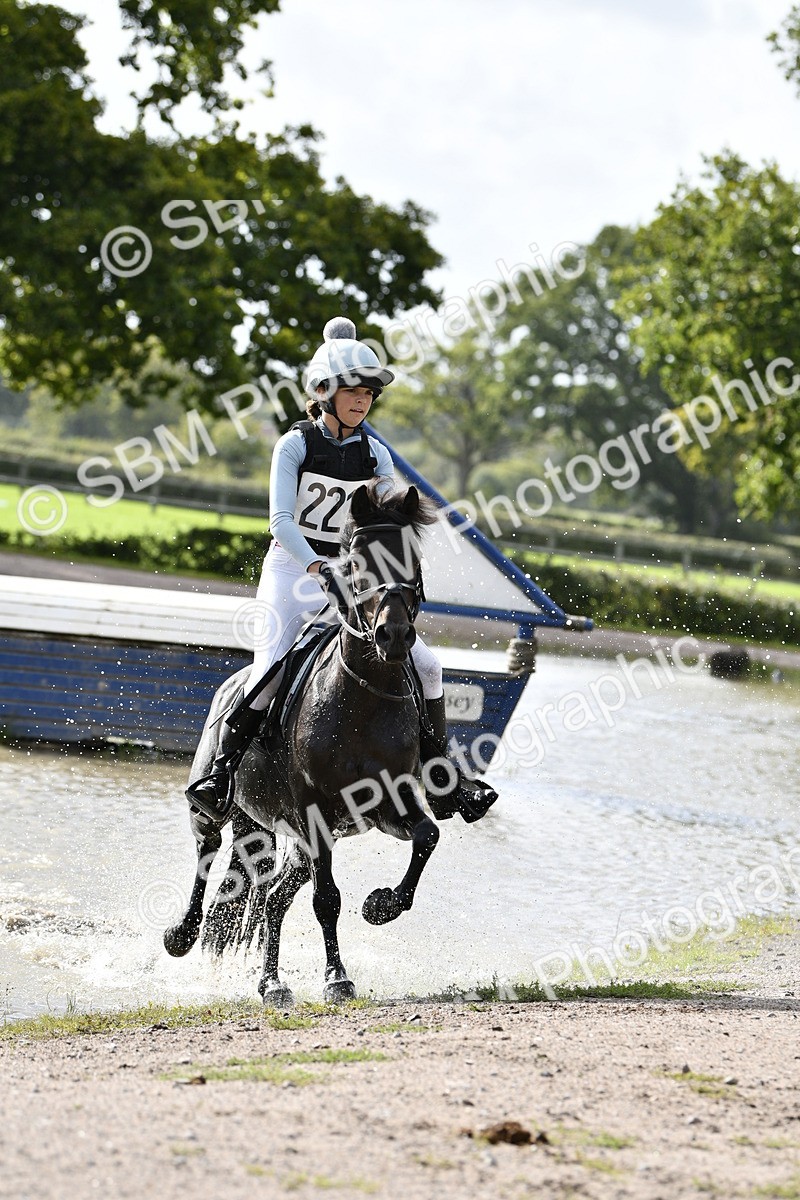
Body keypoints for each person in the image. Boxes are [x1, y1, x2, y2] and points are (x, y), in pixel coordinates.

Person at [188, 317, 497, 824]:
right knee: (268, 670)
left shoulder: (375, 454)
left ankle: (443, 778)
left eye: (369, 394)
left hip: (356, 580)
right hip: (292, 571)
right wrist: (316, 564)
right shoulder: (295, 446)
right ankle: (220, 775)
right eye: (352, 391)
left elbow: (390, 521)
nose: (362, 401)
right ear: (323, 392)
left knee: (429, 666)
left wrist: (388, 573)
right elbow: (280, 521)